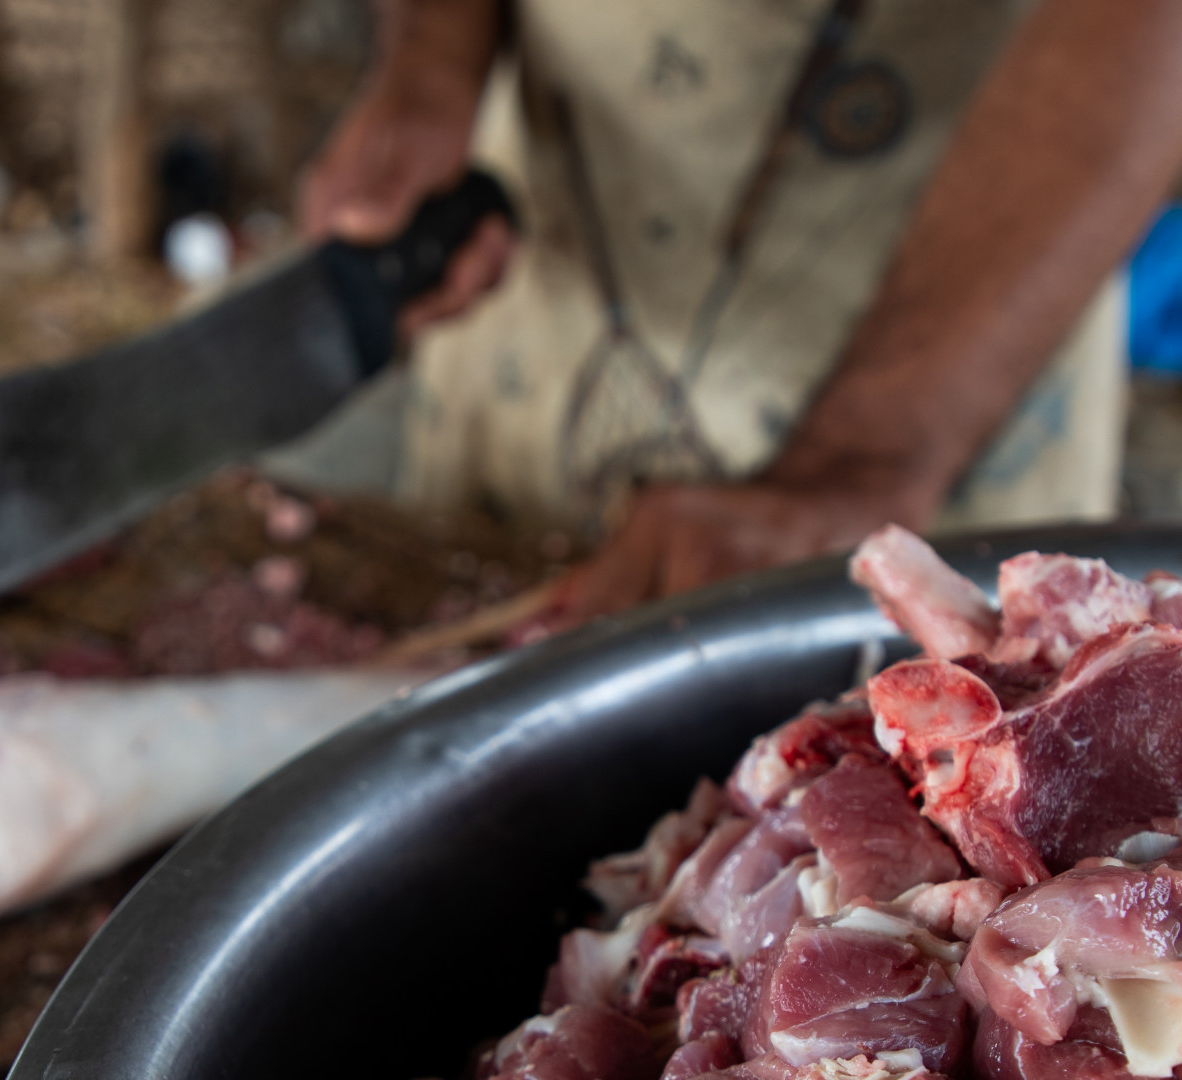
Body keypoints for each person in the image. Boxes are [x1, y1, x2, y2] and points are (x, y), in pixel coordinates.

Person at [298, 0, 1182, 627]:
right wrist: (430, 62)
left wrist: (862, 461)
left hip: (951, 353)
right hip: (543, 283)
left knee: (942, 778)